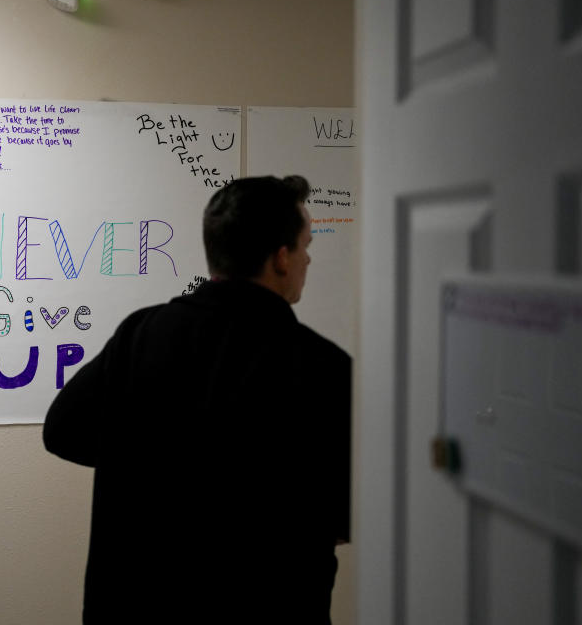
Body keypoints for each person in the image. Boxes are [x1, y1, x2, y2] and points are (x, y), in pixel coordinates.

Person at [43, 175, 351, 624]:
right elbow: (346, 512)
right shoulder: (321, 365)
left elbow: (63, 431)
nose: (308, 258)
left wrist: (146, 466)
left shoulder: (140, 334)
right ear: (281, 259)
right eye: (305, 245)